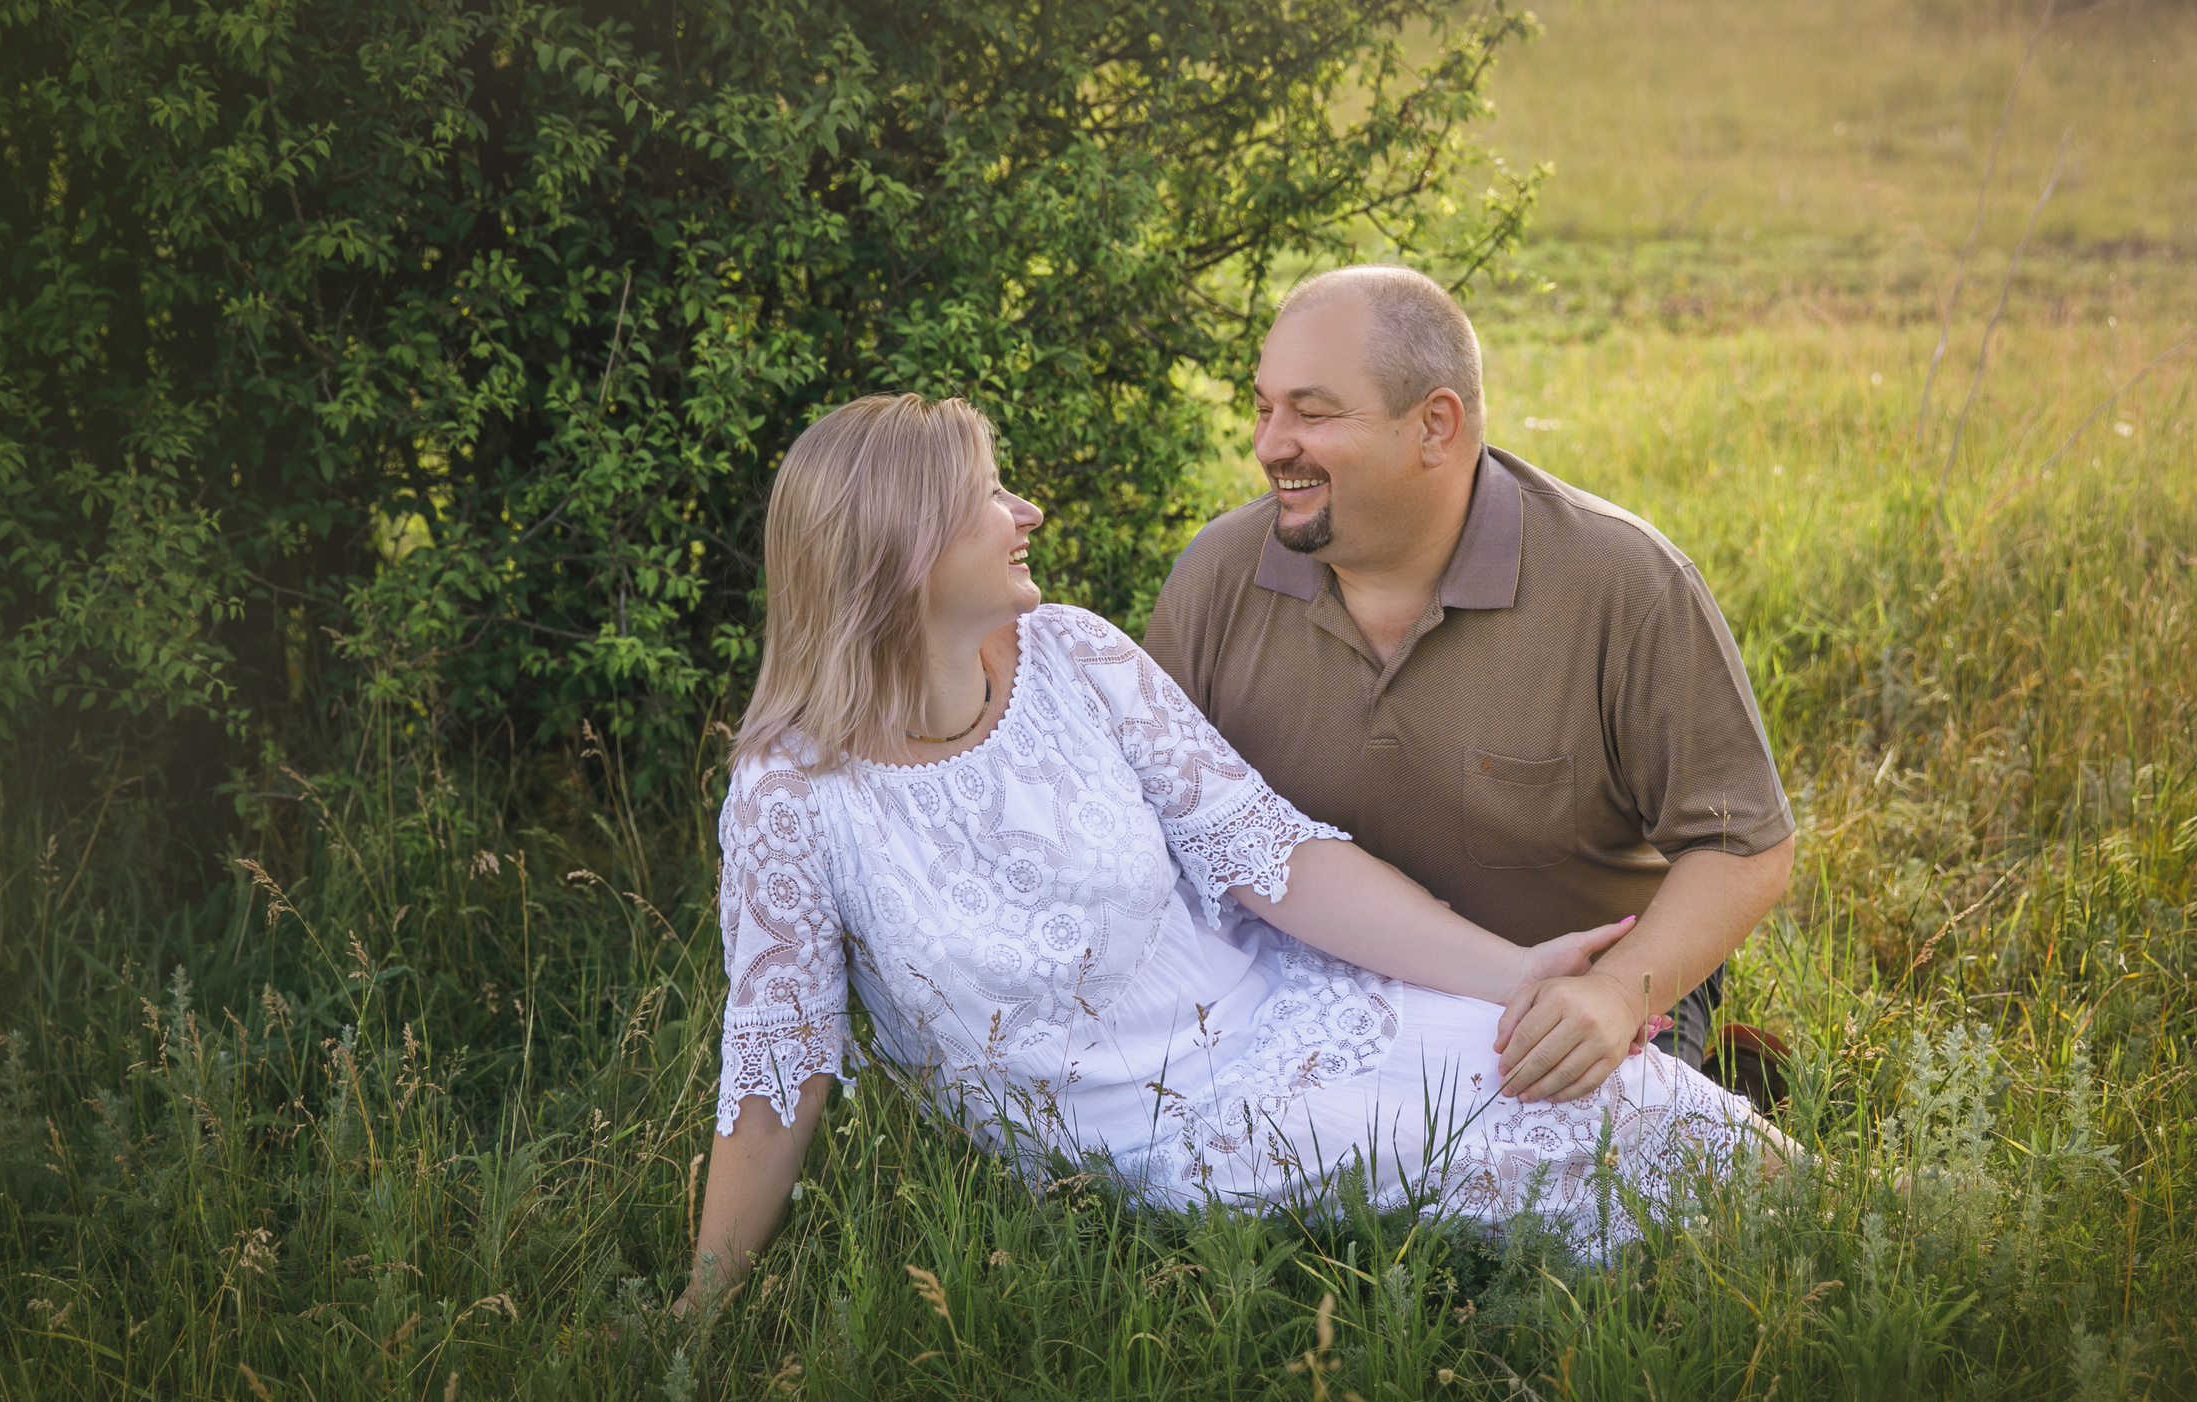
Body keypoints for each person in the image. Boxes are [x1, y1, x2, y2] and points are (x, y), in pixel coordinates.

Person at [680, 394, 1786, 1312]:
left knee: (1611, 1082)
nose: (1027, 509)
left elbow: (1278, 862)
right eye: (987, 497)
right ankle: (1778, 1281)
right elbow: (781, 1071)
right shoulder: (793, 795)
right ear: (901, 549)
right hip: (1177, 1140)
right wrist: (703, 1305)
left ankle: (1871, 1220)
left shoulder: (1071, 651)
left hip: (1293, 1010)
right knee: (1547, 1144)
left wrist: (1517, 973)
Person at [1143, 265, 1797, 1112]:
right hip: (1296, 993)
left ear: (1435, 426)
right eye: (1265, 408)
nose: (1271, 444)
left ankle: (1703, 1067)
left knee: (1591, 1200)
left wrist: (1617, 993)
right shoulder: (1216, 579)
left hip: (1563, 1005)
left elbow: (1745, 847)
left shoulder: (1624, 584)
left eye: (1312, 412)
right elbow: (1153, 836)